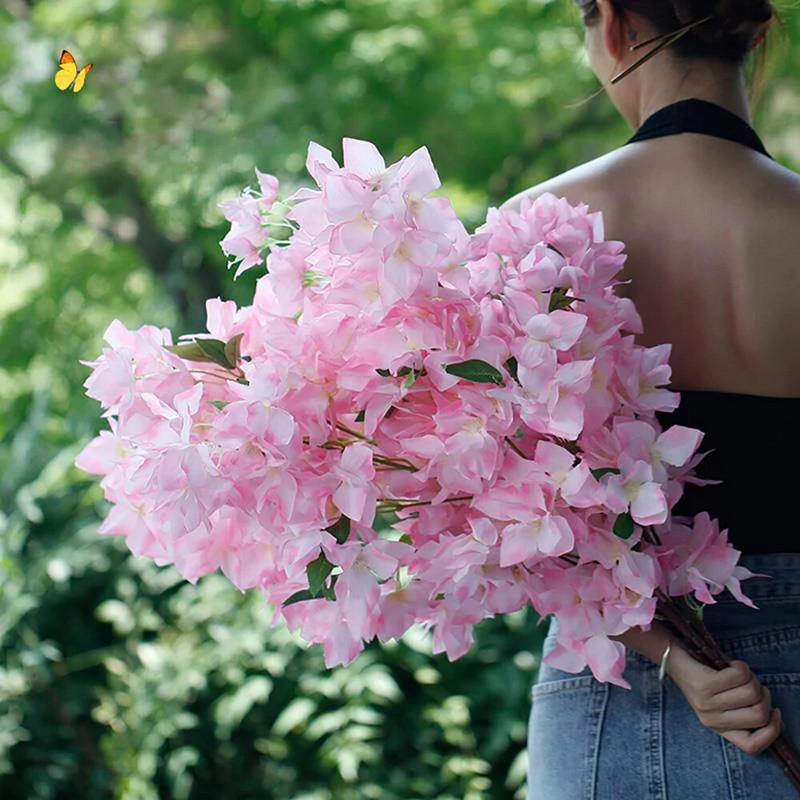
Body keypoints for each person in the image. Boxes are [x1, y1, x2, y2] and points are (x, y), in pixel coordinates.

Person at [501, 1, 800, 797]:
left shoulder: (532, 229)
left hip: (609, 685)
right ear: (758, 30)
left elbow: (499, 505)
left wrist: (670, 653)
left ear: (611, 26)